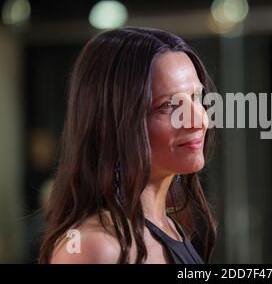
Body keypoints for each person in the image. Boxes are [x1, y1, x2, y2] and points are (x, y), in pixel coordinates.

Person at [38, 27, 218, 264]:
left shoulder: (171, 228)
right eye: (168, 105)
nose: (198, 120)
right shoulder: (94, 248)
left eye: (196, 97)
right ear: (112, 122)